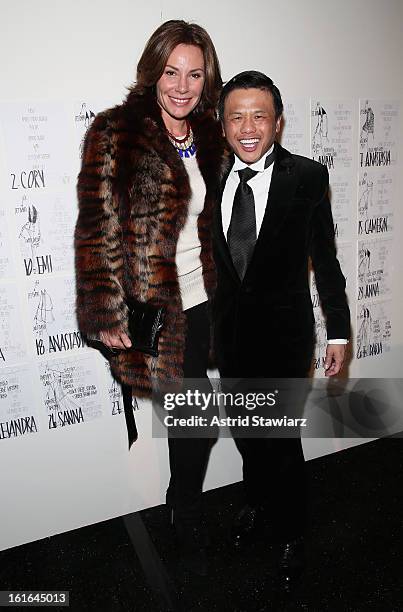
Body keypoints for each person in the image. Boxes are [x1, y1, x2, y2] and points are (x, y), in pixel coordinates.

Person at [74, 20, 225, 577]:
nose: (182, 87)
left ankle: (194, 503)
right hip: (161, 308)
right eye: (171, 72)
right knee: (198, 415)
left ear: (206, 79)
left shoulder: (211, 134)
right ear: (152, 70)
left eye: (194, 74)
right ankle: (184, 514)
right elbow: (95, 227)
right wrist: (103, 310)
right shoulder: (116, 132)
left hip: (212, 297)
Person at [213, 71, 350, 588]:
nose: (248, 128)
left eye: (259, 116)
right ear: (223, 124)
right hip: (231, 339)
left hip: (287, 340)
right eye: (236, 116)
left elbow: (327, 262)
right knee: (249, 433)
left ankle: (291, 528)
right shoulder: (209, 177)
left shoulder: (308, 177)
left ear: (278, 122)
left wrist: (338, 331)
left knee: (280, 438)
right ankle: (255, 501)